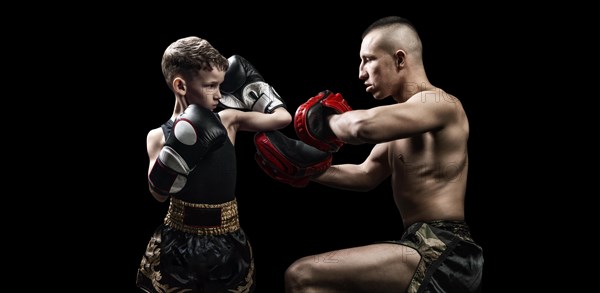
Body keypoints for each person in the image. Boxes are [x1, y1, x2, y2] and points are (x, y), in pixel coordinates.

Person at [254, 16, 484, 292]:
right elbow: (365, 174)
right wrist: (310, 170)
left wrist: (325, 122)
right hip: (420, 245)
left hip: (446, 248)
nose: (361, 72)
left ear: (400, 59)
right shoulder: (405, 121)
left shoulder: (440, 104)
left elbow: (362, 127)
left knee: (302, 276)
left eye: (369, 60)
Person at [136, 36, 292, 293]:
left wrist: (258, 90)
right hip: (177, 241)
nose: (219, 94)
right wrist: (176, 150)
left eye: (221, 85)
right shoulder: (158, 136)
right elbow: (158, 194)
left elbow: (282, 119)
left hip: (228, 237)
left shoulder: (228, 119)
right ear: (181, 86)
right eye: (211, 86)